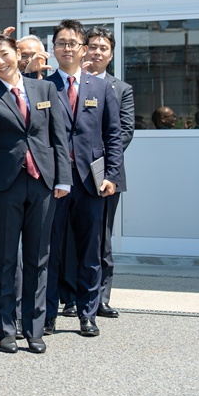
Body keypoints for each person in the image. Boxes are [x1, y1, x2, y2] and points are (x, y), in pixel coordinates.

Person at [0, 34, 71, 354]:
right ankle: (6, 329)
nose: (0, 62)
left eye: (4, 55)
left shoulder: (44, 88)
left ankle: (34, 329)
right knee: (6, 259)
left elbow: (58, 137)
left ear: (17, 53)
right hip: (3, 186)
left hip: (43, 183)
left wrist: (63, 178)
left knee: (39, 258)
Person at [44, 20, 122, 338]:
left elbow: (112, 135)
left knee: (90, 252)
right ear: (54, 48)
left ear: (83, 49)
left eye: (72, 43)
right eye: (61, 43)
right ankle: (45, 316)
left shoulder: (101, 87)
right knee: (50, 252)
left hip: (92, 182)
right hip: (54, 183)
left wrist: (112, 175)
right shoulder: (43, 86)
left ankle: (87, 314)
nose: (67, 48)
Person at [84, 26, 135, 319]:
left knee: (101, 238)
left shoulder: (121, 88)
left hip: (105, 174)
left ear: (111, 53)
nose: (97, 52)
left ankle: (100, 298)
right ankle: (71, 297)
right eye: (92, 46)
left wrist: (102, 166)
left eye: (103, 48)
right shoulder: (70, 83)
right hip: (71, 172)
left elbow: (124, 132)